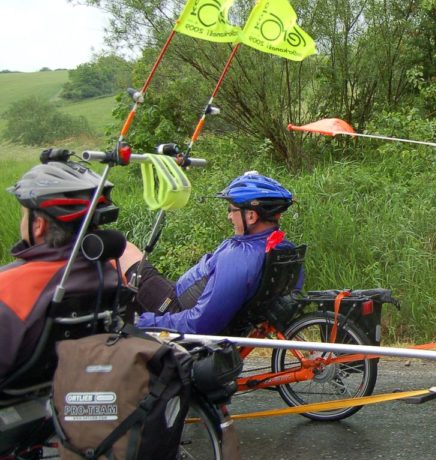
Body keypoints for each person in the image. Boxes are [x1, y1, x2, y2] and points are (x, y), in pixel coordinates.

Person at [122, 171, 298, 335]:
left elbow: (201, 323)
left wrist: (147, 322)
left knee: (122, 251)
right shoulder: (280, 246)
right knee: (129, 257)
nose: (229, 216)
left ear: (251, 216)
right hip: (183, 298)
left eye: (231, 210)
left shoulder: (239, 259)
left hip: (174, 310)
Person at [0, 160, 121, 381]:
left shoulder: (9, 287)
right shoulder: (111, 274)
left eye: (24, 215)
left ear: (39, 225)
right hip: (75, 390)